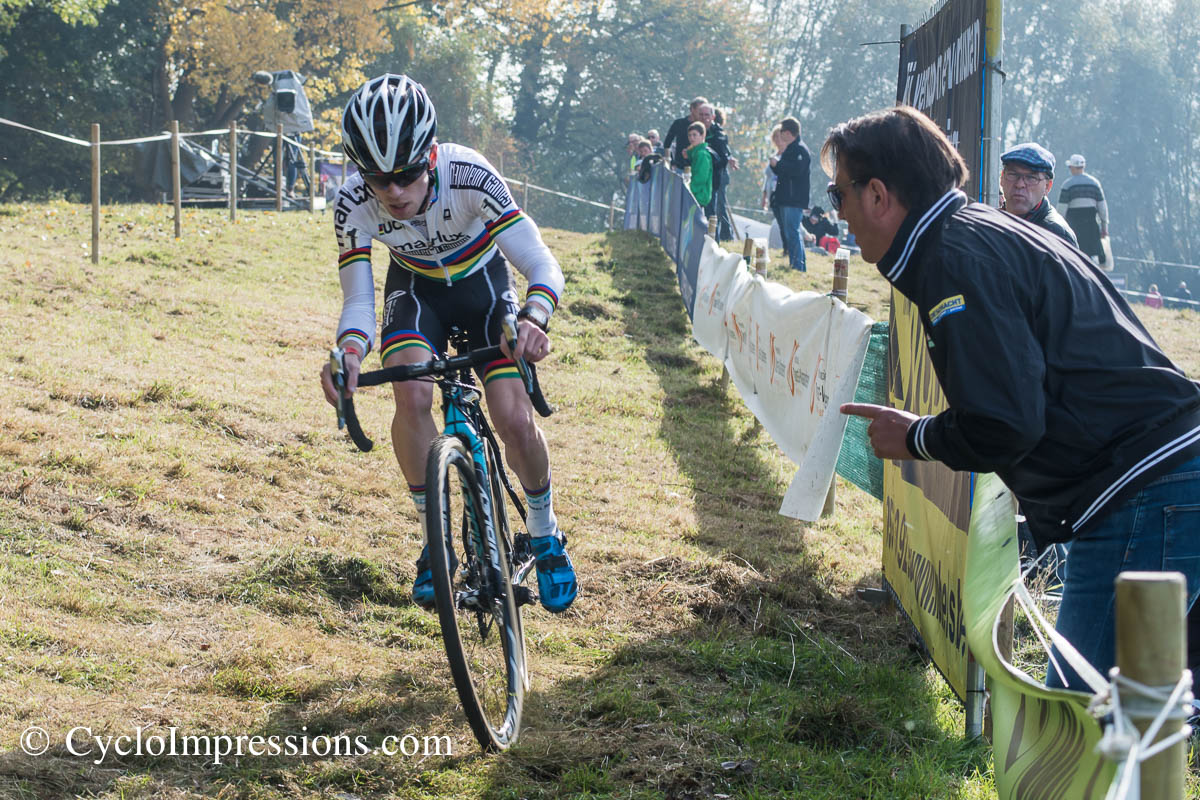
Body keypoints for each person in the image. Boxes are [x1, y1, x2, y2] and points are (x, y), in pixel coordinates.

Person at [830, 106, 1200, 693]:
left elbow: (1007, 420)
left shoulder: (956, 258)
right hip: (1155, 478)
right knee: (1151, 719)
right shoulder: (972, 235)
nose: (839, 213)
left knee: (1076, 731)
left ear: (877, 195)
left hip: (1143, 489)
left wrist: (918, 436)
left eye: (838, 192)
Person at [319, 74, 578, 613]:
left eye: (407, 174)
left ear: (431, 156)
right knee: (410, 394)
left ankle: (543, 529)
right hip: (416, 293)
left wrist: (535, 315)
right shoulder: (351, 205)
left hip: (485, 290)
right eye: (377, 179)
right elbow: (360, 302)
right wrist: (348, 352)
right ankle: (433, 540)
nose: (393, 192)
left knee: (511, 416)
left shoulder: (470, 174)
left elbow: (537, 260)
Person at [998, 143, 1076, 246]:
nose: (1020, 184)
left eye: (1031, 178)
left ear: (1047, 186)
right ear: (1002, 178)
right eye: (1013, 175)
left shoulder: (1056, 235)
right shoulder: (990, 224)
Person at [769, 116, 812, 272]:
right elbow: (783, 171)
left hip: (794, 199)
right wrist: (775, 166)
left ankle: (798, 266)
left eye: (781, 131)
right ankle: (797, 264)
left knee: (792, 232)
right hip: (786, 197)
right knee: (790, 232)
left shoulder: (800, 149)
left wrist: (778, 164)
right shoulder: (791, 148)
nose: (780, 134)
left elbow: (796, 170)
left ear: (788, 132)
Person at [1057, 153, 1109, 266]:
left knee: (1075, 256)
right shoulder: (1095, 184)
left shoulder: (1067, 185)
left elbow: (1061, 211)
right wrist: (1104, 227)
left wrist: (1058, 229)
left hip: (1074, 227)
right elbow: (1102, 208)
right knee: (1090, 258)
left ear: (1072, 168)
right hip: (1091, 227)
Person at [698, 104, 735, 242]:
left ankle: (721, 239)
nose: (703, 118)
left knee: (717, 209)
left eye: (706, 115)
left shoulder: (719, 134)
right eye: (701, 115)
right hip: (699, 177)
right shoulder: (694, 131)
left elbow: (723, 157)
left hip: (716, 178)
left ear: (713, 117)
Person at [761, 127, 787, 258]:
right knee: (779, 221)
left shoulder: (788, 155)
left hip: (785, 193)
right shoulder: (774, 155)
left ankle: (786, 248)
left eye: (780, 137)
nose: (778, 140)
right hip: (773, 193)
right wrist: (764, 196)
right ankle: (782, 248)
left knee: (784, 222)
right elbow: (768, 178)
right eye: (775, 137)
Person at [662, 97, 707, 171]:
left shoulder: (705, 126)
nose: (702, 114)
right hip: (680, 167)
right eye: (700, 110)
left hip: (698, 168)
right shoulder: (679, 123)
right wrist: (671, 162)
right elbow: (667, 143)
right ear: (692, 109)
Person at [683, 121, 713, 208]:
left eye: (694, 135)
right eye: (689, 135)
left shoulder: (702, 154)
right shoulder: (695, 153)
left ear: (702, 135)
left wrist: (689, 190)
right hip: (695, 195)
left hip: (699, 195)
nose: (691, 138)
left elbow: (701, 177)